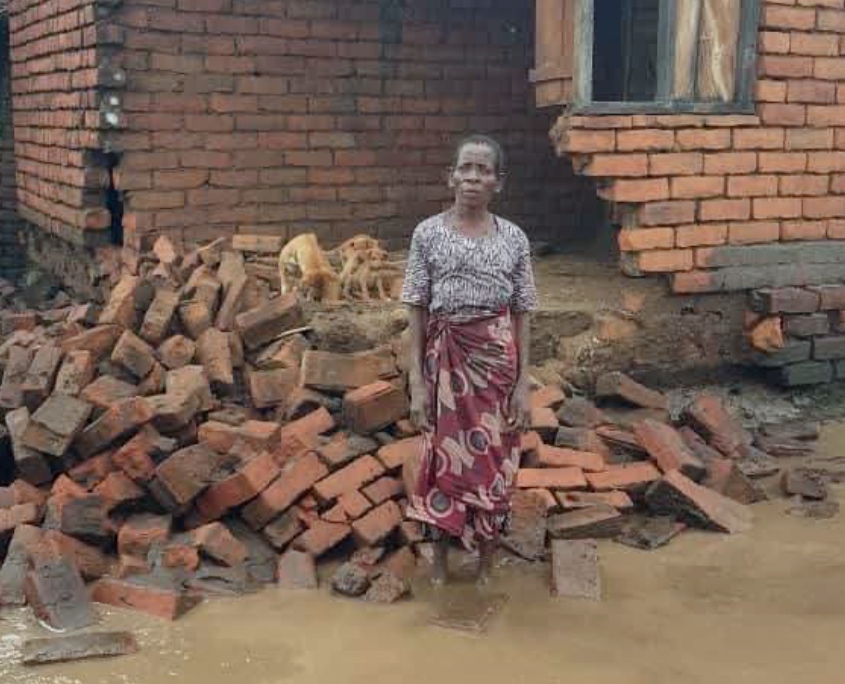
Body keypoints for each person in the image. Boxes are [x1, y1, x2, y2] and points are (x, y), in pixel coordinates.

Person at [401, 134, 538, 586]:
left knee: (495, 461)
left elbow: (522, 314)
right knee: (441, 461)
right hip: (443, 366)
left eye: (484, 170)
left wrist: (522, 385)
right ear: (451, 176)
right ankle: (439, 566)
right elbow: (416, 310)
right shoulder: (427, 234)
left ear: (498, 182)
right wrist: (417, 385)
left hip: (495, 368)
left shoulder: (514, 239)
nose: (473, 178)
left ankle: (485, 568)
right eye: (466, 168)